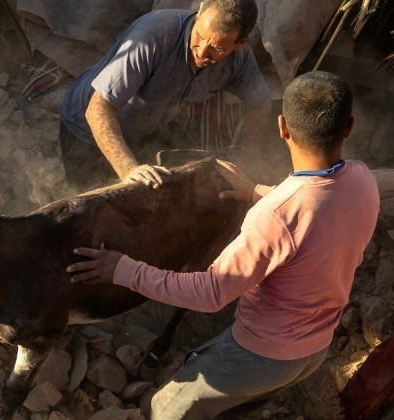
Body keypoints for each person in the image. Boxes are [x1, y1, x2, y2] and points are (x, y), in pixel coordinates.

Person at [65, 71, 379, 419]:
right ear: (349, 127)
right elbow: (316, 208)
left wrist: (123, 269)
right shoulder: (362, 179)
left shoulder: (275, 216)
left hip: (264, 354)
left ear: (282, 128)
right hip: (316, 348)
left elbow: (210, 293)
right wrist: (256, 190)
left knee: (164, 409)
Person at [59, 0, 272, 192]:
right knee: (95, 211)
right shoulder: (152, 37)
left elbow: (261, 104)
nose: (202, 52)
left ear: (241, 44)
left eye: (216, 48)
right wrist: (129, 169)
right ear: (199, 14)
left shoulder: (240, 60)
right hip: (86, 128)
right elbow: (98, 109)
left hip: (147, 128)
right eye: (199, 36)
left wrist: (244, 156)